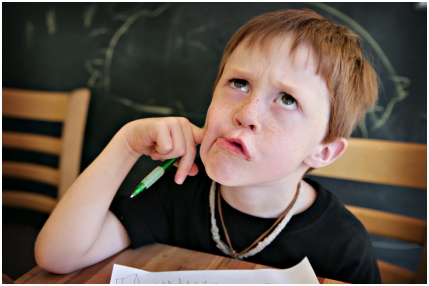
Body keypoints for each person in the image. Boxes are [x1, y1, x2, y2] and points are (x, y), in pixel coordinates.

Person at [35, 9, 380, 283]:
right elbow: (58, 256)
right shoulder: (178, 191)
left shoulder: (344, 247)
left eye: (287, 99)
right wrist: (125, 144)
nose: (247, 114)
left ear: (323, 152)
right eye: (239, 83)